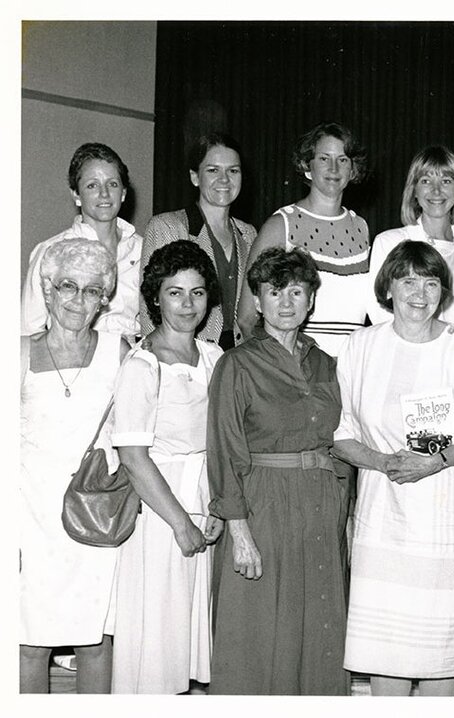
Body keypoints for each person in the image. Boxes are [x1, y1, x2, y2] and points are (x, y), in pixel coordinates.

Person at [332, 241, 454, 696]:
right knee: (386, 647)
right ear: (387, 287)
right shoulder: (360, 347)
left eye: (430, 283)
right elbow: (341, 433)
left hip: (447, 519)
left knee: (439, 650)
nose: (419, 294)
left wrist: (432, 463)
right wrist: (385, 462)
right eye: (407, 281)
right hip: (384, 518)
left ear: (444, 291)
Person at [207, 247, 351, 695]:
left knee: (319, 629)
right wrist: (240, 531)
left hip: (321, 508)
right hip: (263, 507)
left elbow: (342, 440)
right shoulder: (237, 364)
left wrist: (342, 513)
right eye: (274, 292)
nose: (286, 302)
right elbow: (224, 448)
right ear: (258, 300)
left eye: (296, 291)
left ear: (311, 299)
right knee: (259, 632)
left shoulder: (327, 363)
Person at [110, 241, 224, 693]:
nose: (187, 304)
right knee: (158, 637)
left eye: (197, 293)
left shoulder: (215, 357)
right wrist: (180, 523)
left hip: (204, 500)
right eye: (175, 293)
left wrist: (217, 506)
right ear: (155, 297)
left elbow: (223, 442)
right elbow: (134, 458)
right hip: (160, 512)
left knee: (191, 637)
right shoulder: (142, 364)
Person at [20, 239, 130, 693]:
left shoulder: (120, 351)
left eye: (91, 290)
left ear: (105, 298)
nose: (77, 300)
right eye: (68, 286)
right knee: (28, 643)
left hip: (93, 512)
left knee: (96, 640)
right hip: (30, 514)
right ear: (47, 290)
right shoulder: (18, 352)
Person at [238, 122, 369, 357]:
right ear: (307, 166)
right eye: (323, 158)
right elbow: (247, 317)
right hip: (299, 373)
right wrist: (282, 369)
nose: (333, 168)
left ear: (353, 170)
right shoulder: (281, 225)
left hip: (351, 371)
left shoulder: (361, 228)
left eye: (343, 159)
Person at [140, 132, 257, 349]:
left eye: (233, 171)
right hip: (186, 353)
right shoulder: (168, 227)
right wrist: (156, 359)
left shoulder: (249, 234)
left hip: (239, 356)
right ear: (195, 177)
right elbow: (150, 310)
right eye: (213, 170)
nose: (224, 179)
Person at [22, 142, 142, 341]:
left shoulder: (142, 249)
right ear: (76, 195)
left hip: (132, 361)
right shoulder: (50, 251)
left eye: (112, 184)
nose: (104, 194)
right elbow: (29, 330)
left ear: (123, 193)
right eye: (92, 185)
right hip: (71, 362)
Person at [368, 146, 454, 337]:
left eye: (446, 181)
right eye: (426, 181)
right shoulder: (389, 242)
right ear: (414, 190)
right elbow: (379, 311)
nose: (436, 190)